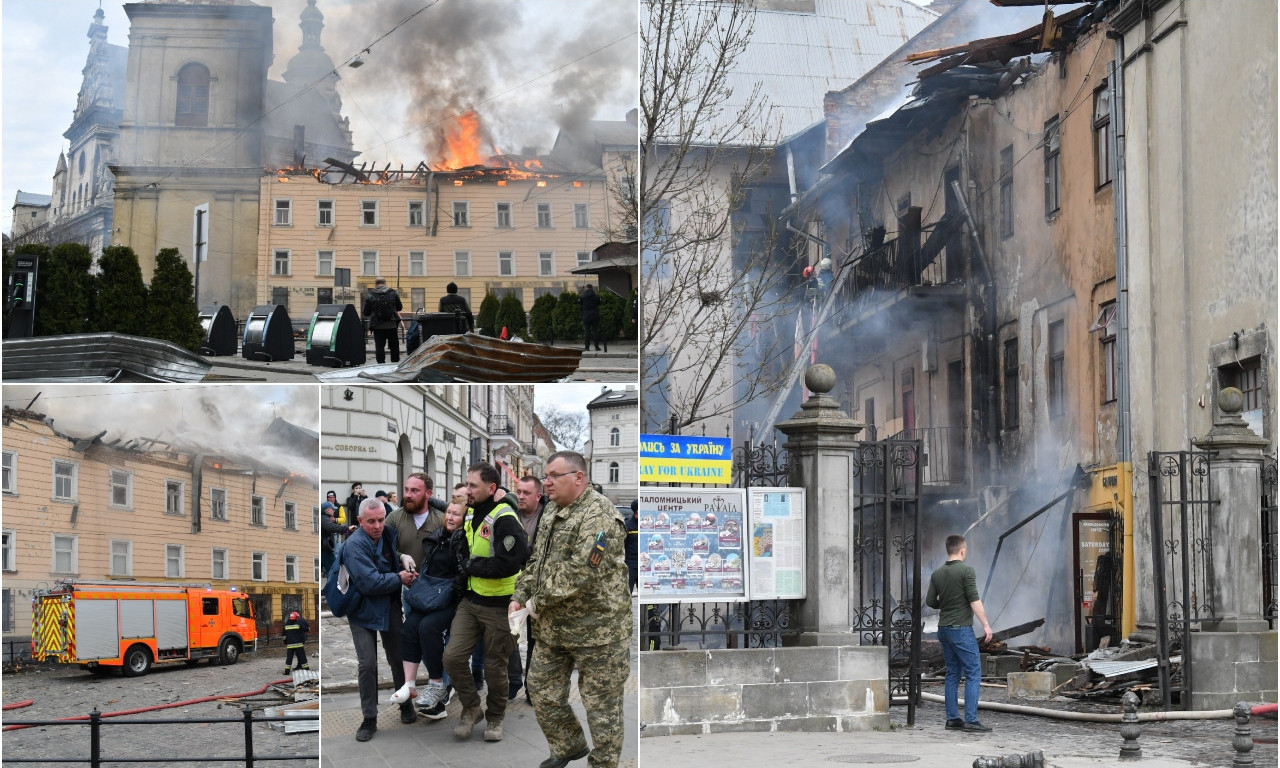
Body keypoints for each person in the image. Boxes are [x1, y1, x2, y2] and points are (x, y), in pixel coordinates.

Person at [511, 451, 632, 768]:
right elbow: (536, 561)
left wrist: (536, 600)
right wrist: (521, 594)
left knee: (601, 706)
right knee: (540, 689)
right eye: (546, 475)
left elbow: (584, 569)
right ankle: (567, 745)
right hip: (553, 627)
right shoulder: (551, 512)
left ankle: (602, 764)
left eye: (553, 476)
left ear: (579, 477)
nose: (546, 481)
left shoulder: (600, 515)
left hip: (599, 631)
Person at [442, 462, 528, 742]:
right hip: (470, 601)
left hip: (501, 605)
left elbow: (511, 562)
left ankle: (495, 717)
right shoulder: (471, 514)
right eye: (466, 484)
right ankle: (471, 708)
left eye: (473, 486)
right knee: (452, 657)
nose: (467, 490)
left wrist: (472, 566)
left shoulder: (504, 517)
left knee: (494, 667)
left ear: (491, 488)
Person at [345, 497, 419, 741]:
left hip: (388, 606)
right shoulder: (354, 545)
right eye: (370, 521)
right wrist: (399, 578)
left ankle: (405, 703)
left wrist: (402, 556)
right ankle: (369, 718)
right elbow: (369, 582)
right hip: (362, 610)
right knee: (367, 664)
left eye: (380, 520)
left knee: (398, 658)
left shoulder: (388, 533)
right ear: (359, 521)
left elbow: (386, 556)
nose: (377, 526)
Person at [389, 497, 469, 721]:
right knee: (409, 629)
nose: (451, 517)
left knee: (428, 628)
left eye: (456, 514)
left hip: (449, 598)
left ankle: (437, 684)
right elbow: (430, 566)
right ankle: (409, 684)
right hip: (430, 593)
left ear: (465, 519)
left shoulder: (463, 540)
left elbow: (463, 574)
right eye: (449, 513)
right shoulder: (439, 536)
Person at [925, 534, 993, 733]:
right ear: (962, 550)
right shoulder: (966, 571)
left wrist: (944, 603)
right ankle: (971, 720)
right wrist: (986, 625)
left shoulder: (937, 573)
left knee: (952, 673)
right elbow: (974, 599)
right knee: (973, 672)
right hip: (961, 630)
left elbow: (930, 601)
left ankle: (953, 719)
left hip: (944, 629)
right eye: (966, 550)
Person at [511, 475, 546, 701]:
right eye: (518, 492)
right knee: (509, 634)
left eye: (526, 493)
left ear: (538, 496)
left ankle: (532, 688)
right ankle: (513, 681)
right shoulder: (509, 513)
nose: (520, 496)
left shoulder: (548, 517)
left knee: (535, 637)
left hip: (537, 584)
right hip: (510, 582)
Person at [362, 277, 404, 364]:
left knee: (379, 346)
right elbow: (399, 307)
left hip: (377, 326)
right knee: (394, 345)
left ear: (375, 284)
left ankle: (381, 364)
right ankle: (395, 363)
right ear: (385, 283)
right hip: (391, 324)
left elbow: (366, 312)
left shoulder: (370, 295)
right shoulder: (393, 292)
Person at [579, 283, 602, 352]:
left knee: (587, 331)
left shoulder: (583, 296)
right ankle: (597, 347)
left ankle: (587, 347)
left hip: (586, 315)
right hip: (594, 315)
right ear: (592, 288)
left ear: (586, 288)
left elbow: (580, 303)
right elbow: (600, 302)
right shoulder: (596, 295)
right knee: (595, 331)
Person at [624, 499, 638, 593]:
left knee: (646, 592)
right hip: (630, 565)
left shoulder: (647, 525)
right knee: (627, 592)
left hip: (645, 566)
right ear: (637, 510)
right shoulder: (628, 525)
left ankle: (650, 608)